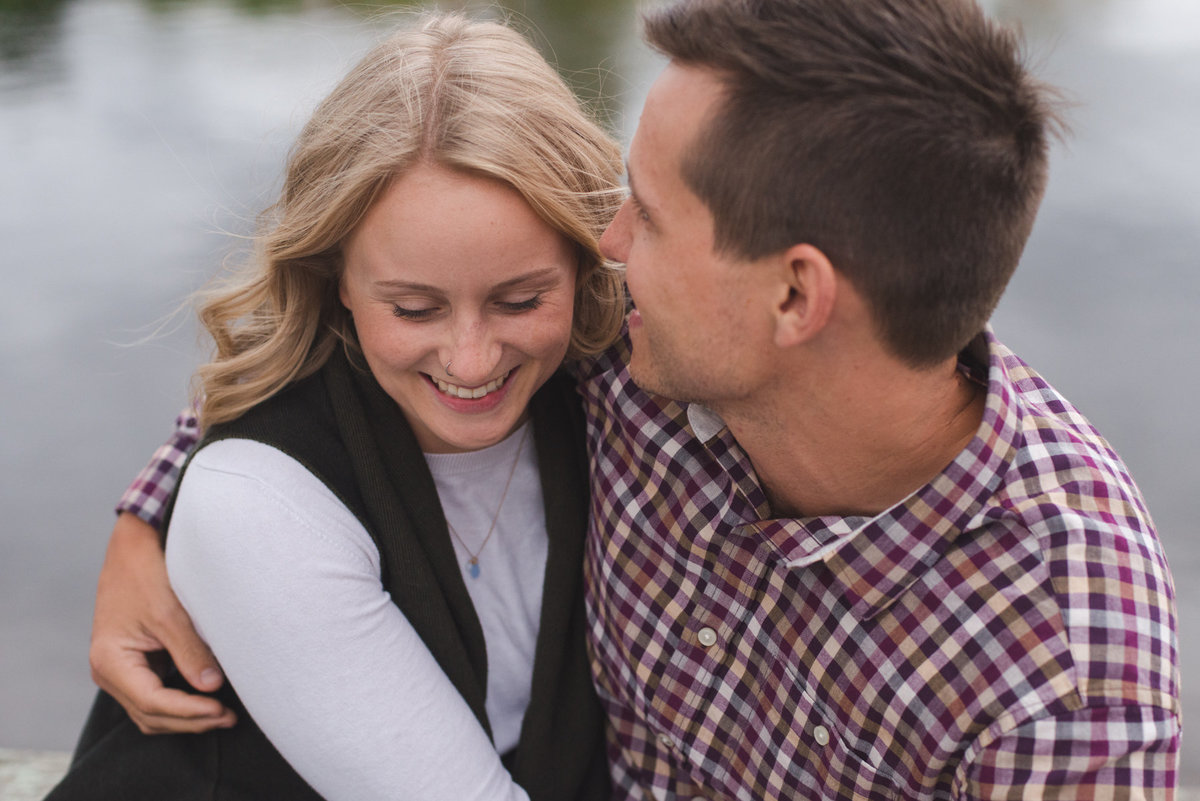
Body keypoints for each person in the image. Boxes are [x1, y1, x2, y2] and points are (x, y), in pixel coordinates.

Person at [86, 0, 1182, 798]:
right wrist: (159, 508)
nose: (602, 247)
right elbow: (382, 308)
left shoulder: (1065, 677)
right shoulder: (651, 345)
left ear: (797, 295)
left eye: (643, 218)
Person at [48, 13, 624, 801]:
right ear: (334, 278)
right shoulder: (255, 497)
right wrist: (156, 509)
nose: (472, 359)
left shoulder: (618, 387)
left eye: (520, 299)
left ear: (588, 260)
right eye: (414, 309)